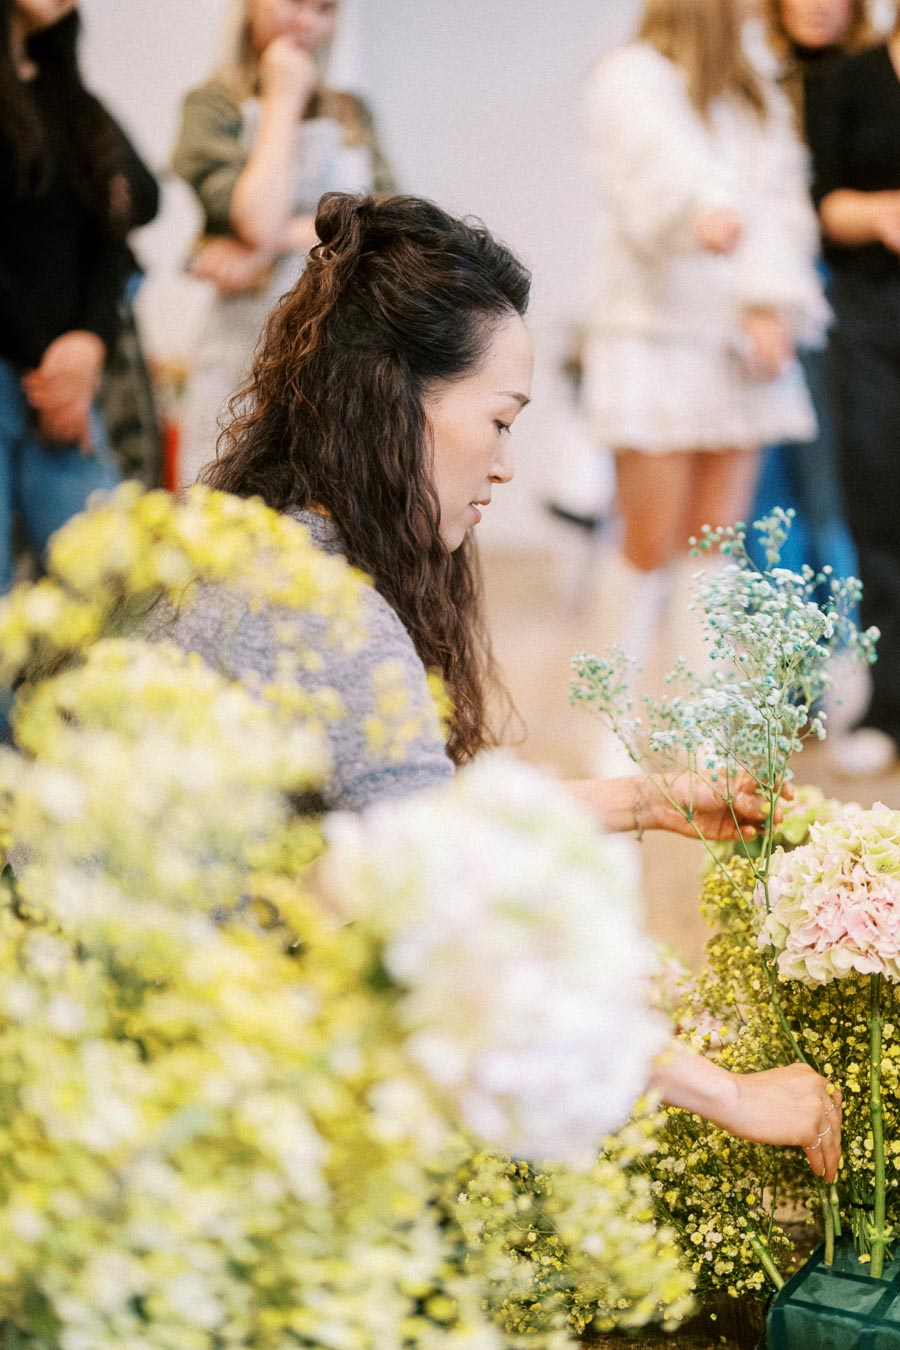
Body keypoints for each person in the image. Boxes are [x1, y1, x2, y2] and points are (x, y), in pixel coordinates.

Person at [145, 190, 841, 1175]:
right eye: (500, 421)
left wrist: (647, 800)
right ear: (395, 402)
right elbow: (457, 940)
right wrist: (734, 1094)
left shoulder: (258, 545)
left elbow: (399, 806)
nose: (508, 466)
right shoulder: (333, 619)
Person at [582, 0, 829, 772]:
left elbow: (783, 205)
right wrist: (711, 215)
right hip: (655, 333)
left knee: (714, 545)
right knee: (648, 541)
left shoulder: (756, 85)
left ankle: (705, 721)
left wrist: (770, 300)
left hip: (737, 343)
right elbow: (663, 181)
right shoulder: (633, 75)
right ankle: (609, 723)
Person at [171, 0, 394, 488]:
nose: (308, 20)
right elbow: (258, 219)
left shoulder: (353, 113)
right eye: (295, 2)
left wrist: (267, 248)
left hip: (342, 355)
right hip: (240, 358)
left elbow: (387, 219)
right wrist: (283, 100)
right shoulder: (211, 106)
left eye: (325, 8)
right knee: (221, 515)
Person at [0, 0, 158, 595]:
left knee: (115, 596)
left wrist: (88, 344)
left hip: (65, 377)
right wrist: (50, 359)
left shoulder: (68, 97)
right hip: (40, 371)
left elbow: (116, 227)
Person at [804, 12, 900, 774]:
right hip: (871, 322)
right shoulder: (849, 80)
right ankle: (890, 707)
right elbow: (822, 199)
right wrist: (878, 212)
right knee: (878, 513)